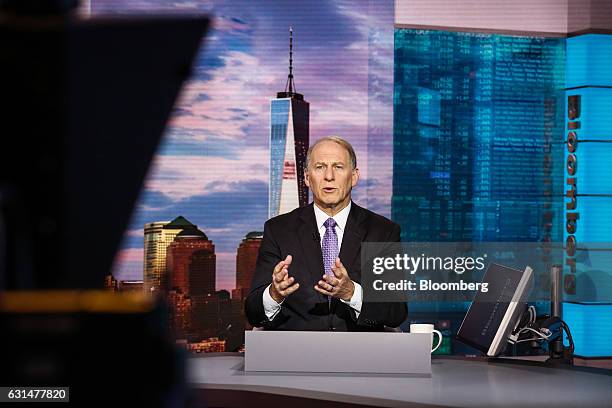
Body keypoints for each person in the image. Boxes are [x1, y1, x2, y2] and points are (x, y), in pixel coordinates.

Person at [245, 136, 407, 330]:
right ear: (306, 177)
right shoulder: (278, 230)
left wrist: (351, 293)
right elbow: (253, 313)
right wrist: (274, 294)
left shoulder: (383, 231)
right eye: (320, 167)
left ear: (354, 176)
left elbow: (396, 311)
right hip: (296, 354)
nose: (329, 176)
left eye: (338, 167)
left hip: (360, 354)